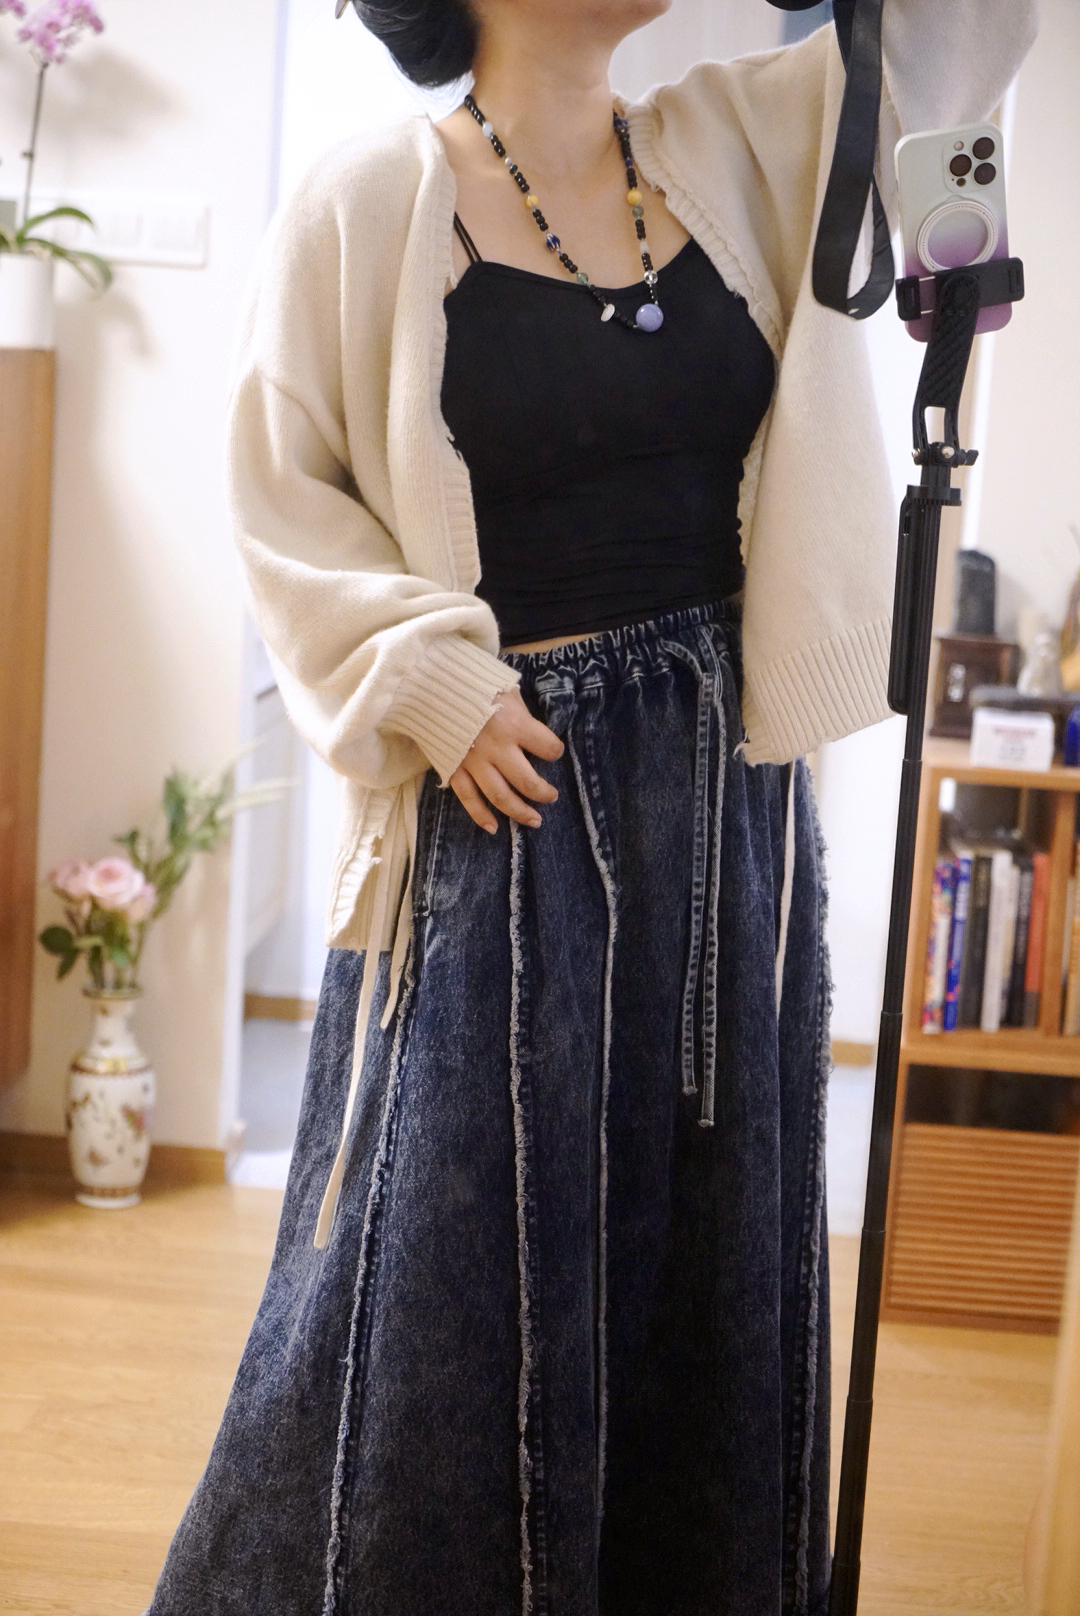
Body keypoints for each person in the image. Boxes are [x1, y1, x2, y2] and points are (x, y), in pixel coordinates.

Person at [145, 1, 1036, 1613]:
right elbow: (282, 499)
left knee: (705, 1266)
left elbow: (960, 34)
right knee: (443, 1281)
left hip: (726, 808)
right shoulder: (367, 200)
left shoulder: (736, 139)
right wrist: (431, 681)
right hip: (504, 805)